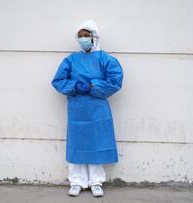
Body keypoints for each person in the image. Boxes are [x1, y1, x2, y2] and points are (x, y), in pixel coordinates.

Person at [51, 19, 124, 197]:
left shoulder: (107, 60)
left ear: (94, 37)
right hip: (77, 109)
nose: (83, 39)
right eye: (80, 36)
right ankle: (76, 182)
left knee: (96, 143)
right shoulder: (71, 60)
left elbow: (115, 82)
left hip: (98, 109)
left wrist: (93, 86)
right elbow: (58, 81)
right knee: (77, 144)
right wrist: (75, 86)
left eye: (86, 35)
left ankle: (96, 182)